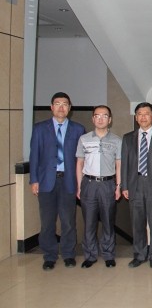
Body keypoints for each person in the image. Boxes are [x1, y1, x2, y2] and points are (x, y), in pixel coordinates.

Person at [29, 92, 85, 270]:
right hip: (46, 181)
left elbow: (81, 159)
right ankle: (49, 256)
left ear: (70, 108)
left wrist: (80, 183)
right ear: (51, 107)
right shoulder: (39, 128)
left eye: (65, 104)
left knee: (68, 221)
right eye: (57, 104)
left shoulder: (78, 129)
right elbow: (34, 156)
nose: (61, 107)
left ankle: (68, 254)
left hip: (68, 181)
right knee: (47, 222)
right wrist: (34, 180)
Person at [121, 102, 152, 269]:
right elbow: (125, 164)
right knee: (137, 223)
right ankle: (139, 255)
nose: (143, 117)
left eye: (146, 113)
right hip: (135, 184)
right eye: (139, 114)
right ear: (136, 117)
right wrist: (124, 186)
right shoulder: (128, 138)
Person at [75, 105, 122, 268]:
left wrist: (118, 186)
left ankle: (108, 255)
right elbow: (79, 163)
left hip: (108, 184)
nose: (101, 119)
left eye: (104, 116)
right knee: (89, 222)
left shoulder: (117, 140)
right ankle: (90, 255)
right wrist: (79, 186)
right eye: (97, 116)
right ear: (93, 118)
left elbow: (119, 164)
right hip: (89, 184)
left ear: (110, 120)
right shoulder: (84, 139)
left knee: (108, 221)